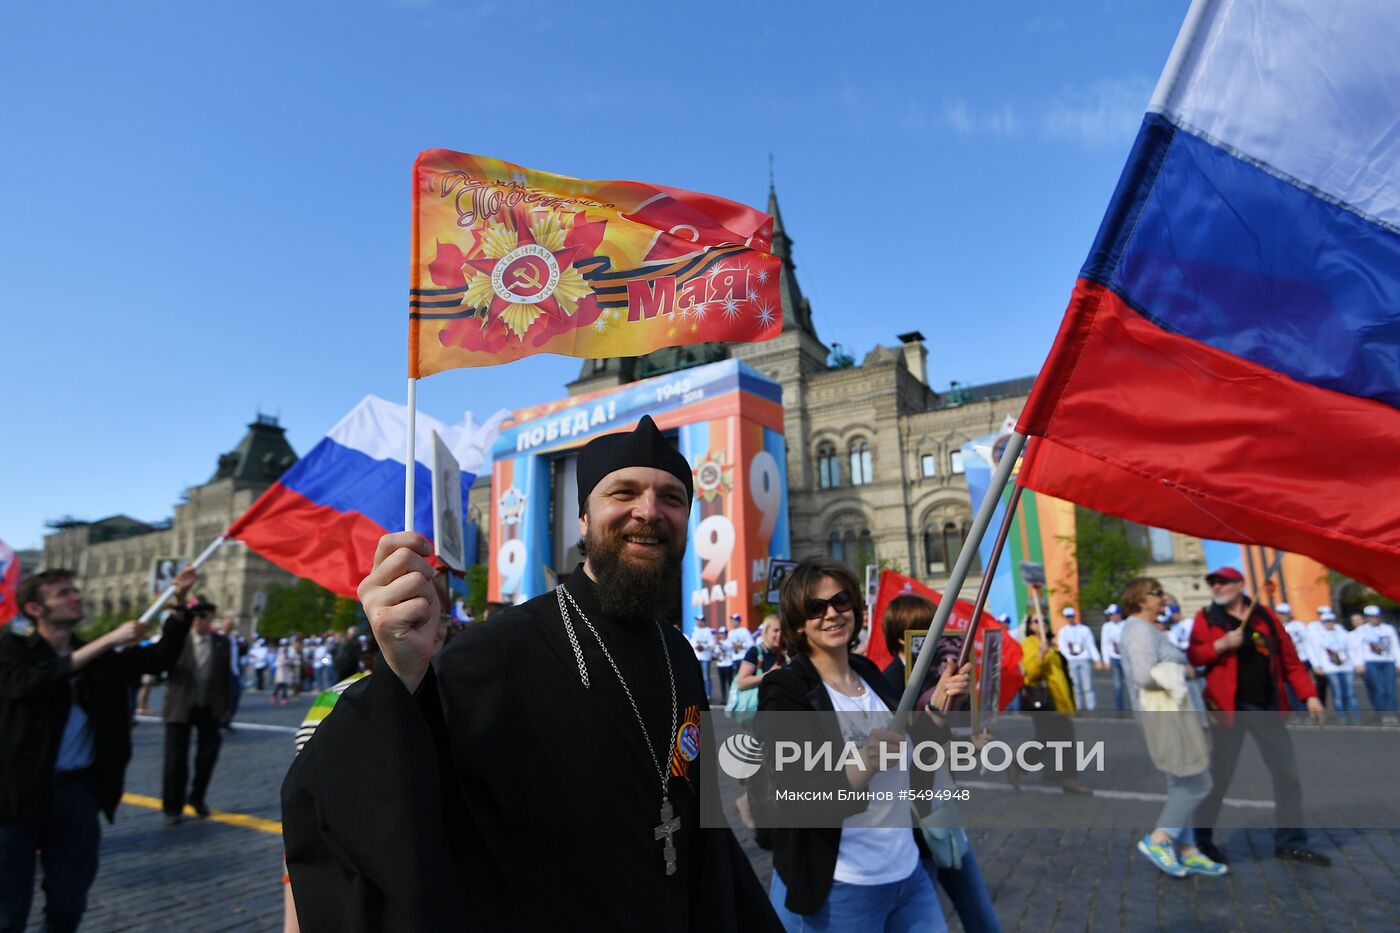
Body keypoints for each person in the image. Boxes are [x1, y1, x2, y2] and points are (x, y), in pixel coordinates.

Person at [283, 415, 779, 930]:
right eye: (624, 493)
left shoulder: (678, 653)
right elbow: (374, 796)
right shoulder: (500, 649)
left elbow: (702, 822)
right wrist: (401, 677)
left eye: (672, 499)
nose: (649, 512)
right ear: (584, 518)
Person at [759, 556, 969, 932]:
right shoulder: (786, 690)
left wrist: (937, 708)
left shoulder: (870, 673)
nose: (832, 614)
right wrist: (865, 763)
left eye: (840, 601)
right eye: (815, 607)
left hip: (908, 873)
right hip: (845, 885)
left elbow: (911, 759)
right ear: (798, 623)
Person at [0, 566, 196, 932]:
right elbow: (27, 684)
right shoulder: (12, 649)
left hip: (76, 794)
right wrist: (107, 641)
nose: (76, 597)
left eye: (75, 590)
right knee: (9, 908)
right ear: (34, 609)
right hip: (16, 794)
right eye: (63, 593)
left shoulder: (96, 657)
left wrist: (179, 604)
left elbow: (160, 658)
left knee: (69, 903)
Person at [1186, 566, 1328, 866]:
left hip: (1267, 708)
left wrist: (1310, 695)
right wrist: (1220, 645)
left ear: (1240, 585)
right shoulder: (1207, 617)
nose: (1216, 588)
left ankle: (1291, 842)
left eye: (1222, 583)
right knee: (1218, 778)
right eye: (1213, 583)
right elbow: (1195, 655)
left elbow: (1290, 660)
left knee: (1287, 775)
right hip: (1228, 710)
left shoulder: (1265, 617)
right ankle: (1201, 841)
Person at [879, 594, 1000, 932]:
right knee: (922, 919)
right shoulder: (887, 686)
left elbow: (939, 746)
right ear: (899, 640)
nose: (930, 642)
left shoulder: (938, 677)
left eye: (933, 631)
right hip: (914, 823)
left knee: (981, 915)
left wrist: (971, 742)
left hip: (943, 811)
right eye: (920, 634)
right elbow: (907, 757)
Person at [1117, 577, 1226, 878]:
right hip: (1166, 717)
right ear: (1140, 599)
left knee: (1180, 783)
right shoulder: (1137, 630)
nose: (1163, 598)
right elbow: (1143, 675)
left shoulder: (1150, 630)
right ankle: (1160, 839)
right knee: (1198, 782)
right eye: (1157, 593)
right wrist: (1184, 669)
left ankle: (1187, 849)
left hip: (1176, 714)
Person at [161, 597, 235, 824]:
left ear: (211, 618)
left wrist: (227, 707)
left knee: (208, 755)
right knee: (176, 760)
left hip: (209, 706)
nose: (200, 621)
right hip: (180, 706)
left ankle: (197, 797)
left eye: (204, 616)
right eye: (196, 616)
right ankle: (173, 806)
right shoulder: (179, 640)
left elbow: (228, 677)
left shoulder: (222, 643)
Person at [1019, 613, 1092, 794]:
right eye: (1036, 621)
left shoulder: (1051, 644)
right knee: (1054, 740)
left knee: (1053, 739)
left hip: (1059, 701)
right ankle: (1068, 778)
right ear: (1029, 626)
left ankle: (1054, 773)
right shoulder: (1030, 643)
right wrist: (1040, 655)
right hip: (1046, 702)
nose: (1042, 623)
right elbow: (1029, 673)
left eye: (1044, 620)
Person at [1307, 610, 1358, 724]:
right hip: (1330, 668)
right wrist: (1317, 665)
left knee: (1350, 693)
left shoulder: (1342, 632)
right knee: (1338, 694)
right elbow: (1314, 651)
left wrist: (1356, 663)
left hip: (1346, 666)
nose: (1328, 623)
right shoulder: (1317, 634)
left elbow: (1352, 648)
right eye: (1326, 622)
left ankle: (1354, 715)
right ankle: (1341, 716)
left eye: (1330, 621)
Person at [1351, 605, 1399, 724]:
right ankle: (1381, 712)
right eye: (1371, 617)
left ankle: (1392, 712)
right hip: (1371, 661)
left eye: (1376, 616)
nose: (1374, 619)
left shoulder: (1388, 629)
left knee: (1390, 688)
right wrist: (1359, 664)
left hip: (1388, 661)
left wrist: (1398, 662)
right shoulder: (1361, 630)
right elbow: (1357, 648)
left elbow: (1395, 646)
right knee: (1377, 688)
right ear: (1366, 618)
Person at [1055, 607, 1102, 711]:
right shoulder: (1063, 631)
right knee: (1075, 686)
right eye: (1067, 617)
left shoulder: (1084, 629)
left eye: (1071, 616)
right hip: (1071, 660)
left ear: (1074, 617)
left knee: (1088, 686)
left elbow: (1090, 645)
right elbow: (1062, 646)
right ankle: (1077, 707)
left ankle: (1091, 707)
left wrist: (1096, 659)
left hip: (1084, 658)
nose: (1069, 619)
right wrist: (1068, 657)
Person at [1100, 604, 1126, 712]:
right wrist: (1106, 660)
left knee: (1132, 684)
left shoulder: (1126, 624)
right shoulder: (1107, 627)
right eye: (1110, 615)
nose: (1111, 617)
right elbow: (1104, 644)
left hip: (1126, 658)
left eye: (1112, 614)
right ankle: (1120, 709)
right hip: (1114, 658)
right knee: (1117, 685)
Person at [690, 616, 715, 702]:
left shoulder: (708, 631)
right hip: (697, 657)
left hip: (705, 657)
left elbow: (712, 643)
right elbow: (691, 643)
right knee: (697, 677)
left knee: (706, 677)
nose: (698, 622)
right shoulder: (695, 630)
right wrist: (697, 646)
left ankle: (708, 694)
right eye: (697, 621)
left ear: (703, 621)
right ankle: (698, 694)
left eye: (699, 621)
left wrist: (703, 647)